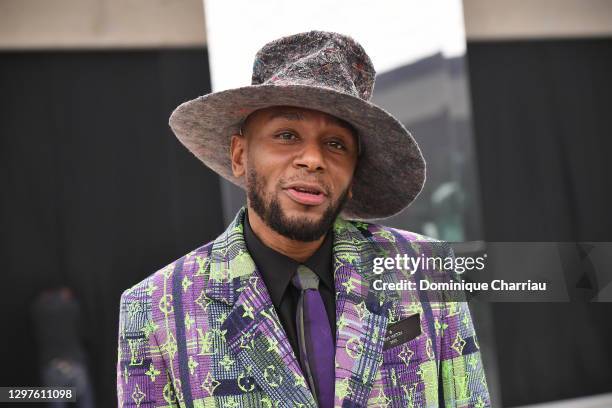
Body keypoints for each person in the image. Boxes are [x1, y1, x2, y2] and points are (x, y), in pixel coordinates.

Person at [116, 30, 490, 408]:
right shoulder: (154, 307)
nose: (312, 159)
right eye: (287, 134)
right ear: (240, 155)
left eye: (335, 144)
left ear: (354, 173)